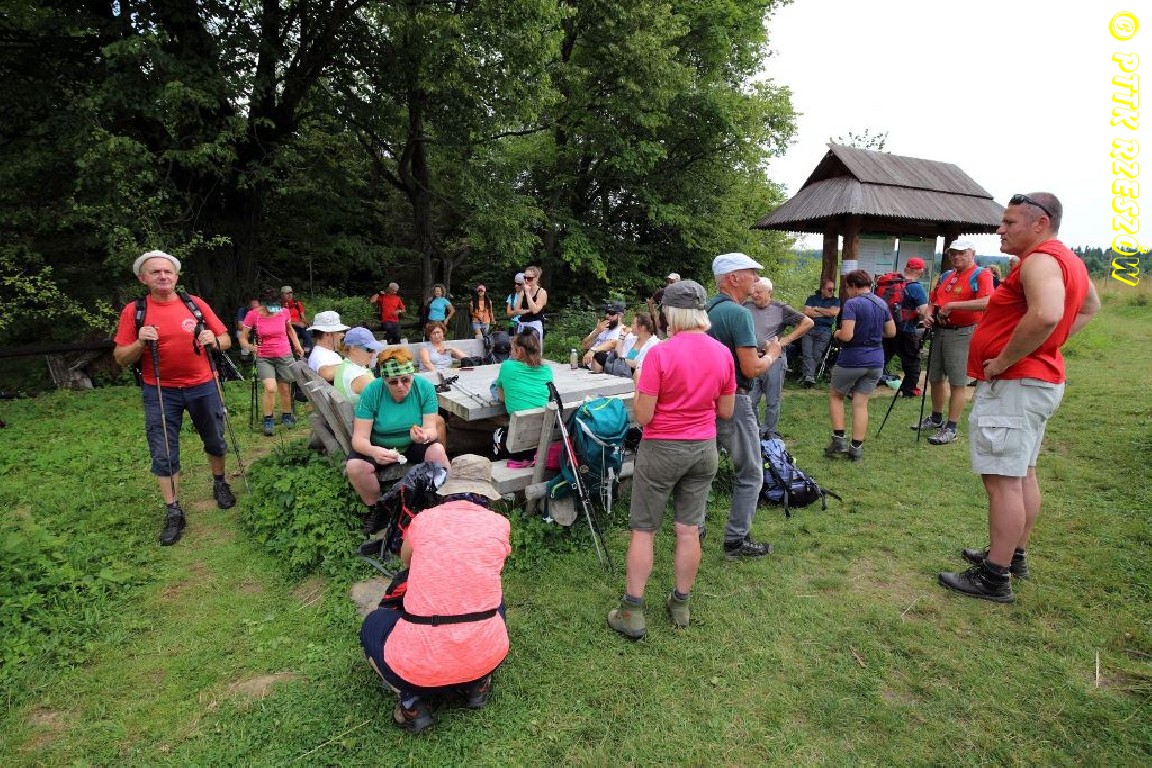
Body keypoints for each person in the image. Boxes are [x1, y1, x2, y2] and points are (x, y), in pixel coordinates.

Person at [938, 192, 1099, 603]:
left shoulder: (1041, 260)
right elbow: (1088, 307)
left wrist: (1005, 359)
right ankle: (1011, 555)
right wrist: (1047, 345)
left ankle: (994, 577)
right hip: (1036, 381)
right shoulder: (1068, 260)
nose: (1000, 229)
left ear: (1040, 223)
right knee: (1023, 473)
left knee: (1003, 482)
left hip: (1016, 383)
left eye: (1009, 222)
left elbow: (1047, 314)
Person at [607, 280, 734, 639]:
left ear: (669, 314)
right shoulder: (722, 353)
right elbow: (725, 410)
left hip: (662, 448)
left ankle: (632, 612)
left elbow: (643, 415)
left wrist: (639, 385)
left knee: (644, 529)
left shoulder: (660, 354)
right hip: (703, 448)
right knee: (689, 529)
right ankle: (680, 605)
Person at [359, 454, 510, 734]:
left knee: (373, 624)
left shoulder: (424, 520)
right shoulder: (500, 524)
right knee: (495, 602)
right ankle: (477, 683)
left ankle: (413, 703)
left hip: (419, 668)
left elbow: (407, 561)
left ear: (450, 488)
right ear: (486, 491)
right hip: (487, 655)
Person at [113, 250, 236, 546]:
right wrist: (140, 342)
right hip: (159, 389)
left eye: (167, 271)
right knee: (164, 450)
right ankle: (173, 511)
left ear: (176, 276)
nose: (163, 276)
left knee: (215, 438)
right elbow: (120, 357)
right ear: (143, 278)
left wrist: (214, 341)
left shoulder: (194, 304)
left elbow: (226, 339)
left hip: (204, 384)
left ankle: (220, 483)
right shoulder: (134, 311)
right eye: (155, 272)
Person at [706, 253, 782, 559]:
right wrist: (773, 354)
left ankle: (694, 529)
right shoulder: (738, 314)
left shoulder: (705, 309)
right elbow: (750, 368)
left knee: (704, 468)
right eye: (751, 272)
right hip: (734, 399)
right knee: (751, 472)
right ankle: (736, 541)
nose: (756, 278)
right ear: (733, 278)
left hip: (702, 400)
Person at [346, 349, 449, 512]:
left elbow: (431, 429)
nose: (400, 386)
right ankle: (376, 508)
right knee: (355, 467)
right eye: (393, 382)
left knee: (437, 450)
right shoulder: (371, 392)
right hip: (379, 445)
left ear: (412, 375)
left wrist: (424, 436)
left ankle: (443, 501)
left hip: (413, 444)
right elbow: (359, 439)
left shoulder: (425, 388)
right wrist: (373, 451)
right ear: (384, 380)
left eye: (405, 379)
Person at [914, 239, 995, 445]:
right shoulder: (946, 276)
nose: (956, 257)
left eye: (961, 253)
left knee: (957, 381)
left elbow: (987, 302)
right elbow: (933, 300)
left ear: (972, 253)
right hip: (940, 331)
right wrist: (928, 314)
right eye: (953, 253)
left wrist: (952, 306)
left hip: (962, 333)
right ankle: (936, 418)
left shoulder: (981, 274)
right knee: (935, 377)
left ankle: (951, 428)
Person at [824, 269, 896, 461]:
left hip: (852, 359)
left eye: (848, 288)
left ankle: (838, 440)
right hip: (876, 360)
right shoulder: (881, 303)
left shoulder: (852, 304)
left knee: (836, 396)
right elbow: (891, 332)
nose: (848, 292)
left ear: (854, 286)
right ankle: (856, 448)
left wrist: (836, 333)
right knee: (861, 403)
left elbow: (847, 335)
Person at [744, 277, 813, 438]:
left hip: (775, 361)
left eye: (759, 292)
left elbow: (808, 323)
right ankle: (755, 431)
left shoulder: (781, 309)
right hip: (753, 359)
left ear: (769, 292)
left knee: (772, 400)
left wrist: (784, 341)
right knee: (749, 400)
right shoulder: (745, 306)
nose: (754, 295)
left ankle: (770, 433)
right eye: (753, 291)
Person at [241, 287, 304, 437]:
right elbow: (242, 337)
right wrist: (250, 347)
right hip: (264, 356)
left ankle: (287, 415)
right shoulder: (253, 315)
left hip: (284, 353)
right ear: (263, 304)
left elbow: (290, 330)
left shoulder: (284, 312)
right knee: (270, 388)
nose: (274, 308)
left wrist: (297, 345)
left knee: (285, 388)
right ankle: (268, 420)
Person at [493, 329, 554, 468]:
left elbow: (502, 398)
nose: (510, 352)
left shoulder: (507, 366)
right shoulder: (547, 369)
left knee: (495, 387)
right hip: (542, 438)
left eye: (512, 349)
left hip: (519, 442)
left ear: (519, 351)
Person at [880, 258, 931, 398]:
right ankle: (909, 391)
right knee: (912, 362)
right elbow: (924, 312)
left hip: (887, 329)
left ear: (906, 268)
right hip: (906, 330)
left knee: (881, 358)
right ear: (920, 271)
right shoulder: (916, 287)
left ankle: (859, 385)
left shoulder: (892, 284)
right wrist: (918, 314)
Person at [800, 279, 841, 387]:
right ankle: (809, 377)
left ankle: (807, 376)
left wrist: (817, 309)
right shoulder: (812, 298)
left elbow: (834, 313)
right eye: (829, 289)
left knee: (816, 355)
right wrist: (826, 313)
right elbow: (806, 312)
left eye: (833, 289)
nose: (832, 291)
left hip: (825, 331)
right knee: (807, 353)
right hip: (809, 328)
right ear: (822, 289)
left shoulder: (835, 301)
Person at [334, 327, 383, 405]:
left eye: (374, 349)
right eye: (369, 349)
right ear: (353, 349)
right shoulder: (359, 377)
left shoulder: (346, 367)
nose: (374, 353)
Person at [603, 312, 659, 380]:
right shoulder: (631, 339)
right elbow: (618, 356)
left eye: (633, 323)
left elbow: (643, 365)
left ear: (642, 327)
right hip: (622, 375)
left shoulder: (654, 344)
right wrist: (621, 337)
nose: (631, 325)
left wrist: (625, 360)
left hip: (641, 379)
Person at [580, 301, 627, 371]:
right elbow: (584, 345)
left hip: (604, 368)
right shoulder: (601, 328)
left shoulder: (623, 330)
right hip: (587, 366)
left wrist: (593, 350)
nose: (607, 316)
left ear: (620, 316)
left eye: (611, 313)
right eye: (606, 312)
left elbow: (612, 344)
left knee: (599, 356)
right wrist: (596, 332)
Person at [306, 310, 349, 382]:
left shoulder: (323, 352)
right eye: (338, 332)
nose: (340, 336)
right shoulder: (320, 355)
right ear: (328, 334)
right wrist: (353, 366)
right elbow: (326, 373)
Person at [511, 265, 547, 338]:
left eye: (530, 278)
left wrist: (527, 293)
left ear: (536, 278)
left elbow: (534, 310)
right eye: (525, 278)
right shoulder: (522, 292)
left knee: (532, 342)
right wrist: (527, 310)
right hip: (522, 324)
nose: (526, 280)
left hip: (535, 325)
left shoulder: (541, 292)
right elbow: (516, 310)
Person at [646, 272, 680, 338]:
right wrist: (654, 316)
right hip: (662, 327)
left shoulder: (684, 294)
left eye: (672, 282)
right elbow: (650, 302)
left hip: (678, 328)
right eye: (668, 282)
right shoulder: (663, 292)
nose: (669, 284)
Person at [280, 285, 311, 354]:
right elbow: (280, 321)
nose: (289, 295)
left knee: (307, 332)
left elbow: (303, 317)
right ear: (282, 295)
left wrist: (305, 323)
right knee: (293, 335)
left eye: (290, 293)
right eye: (287, 293)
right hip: (286, 326)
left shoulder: (297, 304)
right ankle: (293, 353)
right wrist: (296, 324)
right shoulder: (279, 306)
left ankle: (306, 351)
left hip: (299, 326)